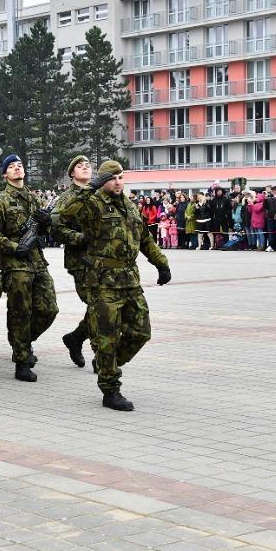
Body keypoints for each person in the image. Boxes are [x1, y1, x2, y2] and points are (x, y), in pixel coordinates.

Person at [79, 161, 170, 411]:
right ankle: (110, 390)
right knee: (107, 337)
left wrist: (161, 263)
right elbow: (65, 213)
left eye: (121, 177)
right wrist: (91, 187)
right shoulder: (93, 203)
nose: (118, 182)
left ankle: (106, 364)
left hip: (129, 280)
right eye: (112, 178)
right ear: (103, 181)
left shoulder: (129, 205)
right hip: (103, 282)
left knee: (141, 331)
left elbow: (144, 239)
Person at [0, 154, 58, 382]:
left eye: (19, 165)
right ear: (5, 175)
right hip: (15, 263)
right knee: (20, 311)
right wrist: (12, 247)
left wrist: (46, 223)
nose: (17, 168)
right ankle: (22, 360)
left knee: (49, 309)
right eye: (11, 166)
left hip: (37, 260)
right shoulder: (0, 201)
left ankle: (23, 343)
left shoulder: (34, 198)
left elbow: (44, 231)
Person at [50, 154, 95, 367]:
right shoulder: (67, 198)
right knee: (99, 306)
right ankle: (102, 358)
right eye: (80, 166)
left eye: (88, 165)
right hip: (81, 261)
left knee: (102, 307)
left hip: (104, 260)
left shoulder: (99, 194)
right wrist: (80, 238)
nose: (85, 168)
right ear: (71, 174)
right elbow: (56, 228)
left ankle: (76, 338)